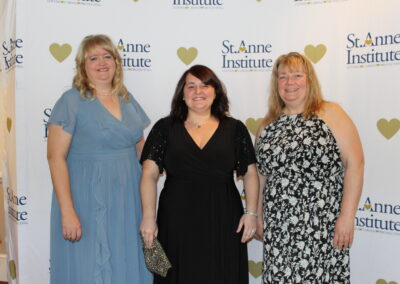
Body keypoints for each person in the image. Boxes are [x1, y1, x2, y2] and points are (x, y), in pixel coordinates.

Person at [47, 34, 152, 284]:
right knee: (87, 264)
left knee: (125, 258)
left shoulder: (127, 99)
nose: (101, 63)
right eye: (93, 58)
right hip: (85, 198)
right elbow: (55, 157)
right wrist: (68, 211)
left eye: (107, 56)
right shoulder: (70, 101)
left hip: (127, 198)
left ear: (116, 62)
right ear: (83, 66)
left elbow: (142, 149)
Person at [140, 65, 259, 284]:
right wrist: (148, 216)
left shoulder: (235, 128)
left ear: (216, 92)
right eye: (191, 86)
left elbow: (250, 173)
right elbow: (148, 174)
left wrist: (251, 212)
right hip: (175, 218)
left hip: (223, 216)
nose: (198, 91)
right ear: (182, 94)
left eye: (205, 85)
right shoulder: (164, 128)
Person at [255, 52, 364, 284]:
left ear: (309, 80)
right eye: (283, 77)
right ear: (276, 84)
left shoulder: (331, 113)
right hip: (279, 228)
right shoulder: (268, 124)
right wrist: (258, 215)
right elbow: (261, 176)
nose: (289, 82)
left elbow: (355, 164)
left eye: (297, 75)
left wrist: (346, 217)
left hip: (322, 225)